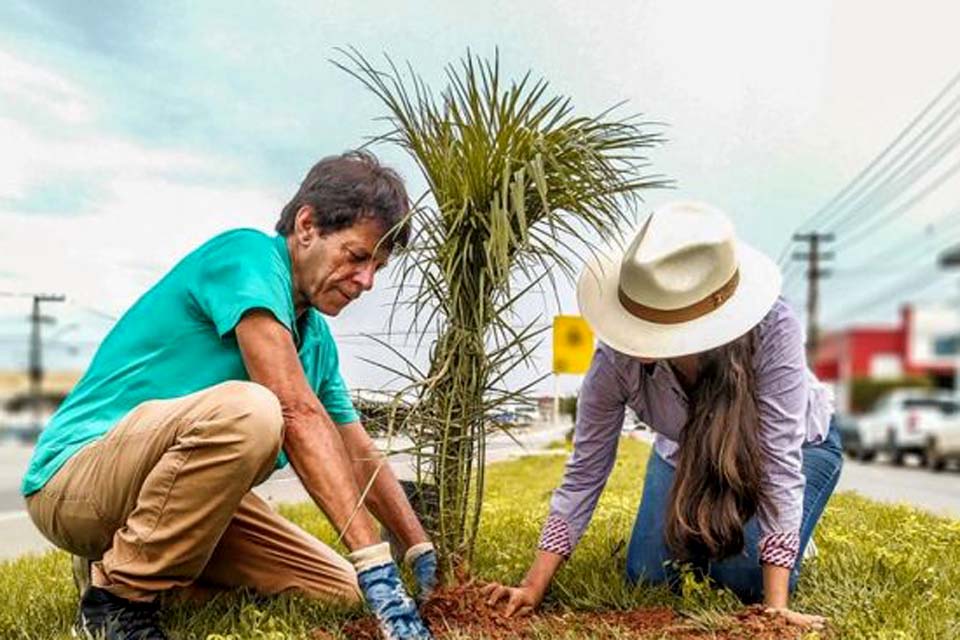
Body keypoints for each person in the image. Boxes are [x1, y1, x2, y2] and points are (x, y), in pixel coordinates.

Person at [22, 151, 436, 640]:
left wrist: (418, 553)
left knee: (341, 588)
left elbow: (359, 451)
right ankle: (118, 598)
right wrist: (378, 569)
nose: (366, 281)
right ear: (307, 226)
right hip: (76, 483)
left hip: (175, 497)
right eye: (357, 257)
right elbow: (295, 411)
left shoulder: (316, 341)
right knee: (256, 411)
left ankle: (141, 569)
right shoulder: (248, 257)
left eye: (378, 268)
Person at [484, 201, 841, 630]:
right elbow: (584, 471)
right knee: (649, 575)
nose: (635, 341)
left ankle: (789, 536)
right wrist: (532, 585)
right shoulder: (614, 362)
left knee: (741, 580)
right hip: (685, 453)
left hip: (798, 446)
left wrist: (775, 609)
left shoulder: (773, 328)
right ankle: (740, 527)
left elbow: (780, 462)